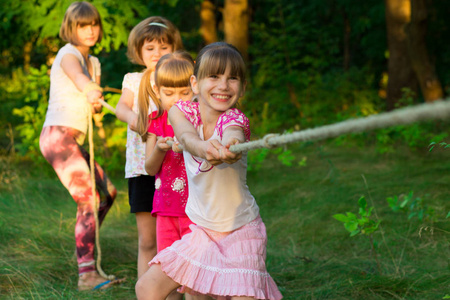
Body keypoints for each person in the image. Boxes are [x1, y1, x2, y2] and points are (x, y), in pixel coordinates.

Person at [135, 42, 283, 300]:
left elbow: (233, 134)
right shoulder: (181, 111)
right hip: (201, 232)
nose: (223, 85)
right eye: (214, 76)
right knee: (147, 288)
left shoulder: (234, 119)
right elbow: (187, 137)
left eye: (233, 78)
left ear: (242, 88)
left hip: (241, 231)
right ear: (195, 83)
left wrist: (230, 147)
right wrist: (204, 148)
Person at [39, 1, 123, 291]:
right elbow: (78, 78)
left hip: (72, 139)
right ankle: (86, 275)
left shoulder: (95, 63)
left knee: (107, 194)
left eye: (94, 24)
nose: (90, 30)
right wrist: (88, 88)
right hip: (57, 137)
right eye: (82, 25)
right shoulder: (68, 54)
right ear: (70, 28)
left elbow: (93, 102)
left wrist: (96, 99)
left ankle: (86, 244)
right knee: (88, 199)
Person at [115, 16, 183, 280]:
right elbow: (122, 106)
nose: (157, 53)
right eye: (150, 48)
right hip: (141, 169)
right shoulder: (133, 79)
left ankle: (177, 287)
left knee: (176, 234)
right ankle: (146, 290)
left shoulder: (178, 77)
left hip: (175, 168)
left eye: (164, 47)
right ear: (139, 51)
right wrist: (134, 119)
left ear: (174, 48)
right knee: (147, 239)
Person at [142, 51, 212, 300]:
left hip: (195, 212)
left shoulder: (201, 119)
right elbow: (149, 169)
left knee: (196, 277)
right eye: (168, 94)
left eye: (184, 92)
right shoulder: (156, 122)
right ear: (157, 91)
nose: (177, 100)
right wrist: (160, 149)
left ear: (194, 87)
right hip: (165, 211)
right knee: (168, 272)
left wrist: (193, 143)